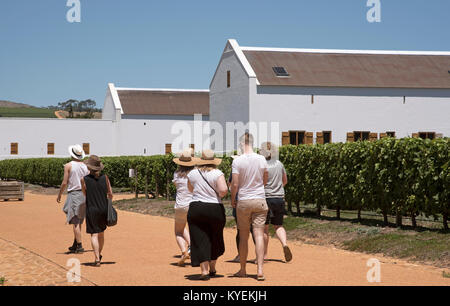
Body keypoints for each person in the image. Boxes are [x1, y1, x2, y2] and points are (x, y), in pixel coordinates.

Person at [231, 133, 269, 281]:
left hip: (244, 201)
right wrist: (258, 188)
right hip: (259, 199)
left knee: (243, 236)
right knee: (258, 234)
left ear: (242, 143)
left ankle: (242, 269)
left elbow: (235, 184)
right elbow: (265, 179)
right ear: (253, 143)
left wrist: (233, 199)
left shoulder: (237, 161)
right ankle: (259, 270)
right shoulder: (261, 159)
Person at [187, 149, 228, 280]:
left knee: (199, 239)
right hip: (214, 207)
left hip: (196, 207)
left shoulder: (192, 173)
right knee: (215, 237)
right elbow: (223, 191)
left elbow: (190, 189)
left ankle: (204, 271)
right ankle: (213, 267)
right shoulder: (217, 173)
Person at [260, 142, 292, 263]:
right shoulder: (279, 164)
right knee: (278, 225)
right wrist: (278, 188)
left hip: (266, 198)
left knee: (264, 229)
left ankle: (264, 255)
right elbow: (285, 181)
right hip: (279, 198)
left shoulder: (262, 165)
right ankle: (284, 244)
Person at [80, 155, 113, 267]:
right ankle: (99, 254)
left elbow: (84, 193)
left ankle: (97, 258)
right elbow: (110, 194)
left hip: (92, 208)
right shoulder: (105, 178)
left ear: (89, 168)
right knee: (101, 234)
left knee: (94, 234)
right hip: (103, 208)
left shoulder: (84, 179)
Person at [57, 144, 89, 254]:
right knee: (79, 220)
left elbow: (64, 182)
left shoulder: (68, 166)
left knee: (75, 221)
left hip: (74, 193)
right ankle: (76, 243)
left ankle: (79, 246)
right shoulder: (85, 166)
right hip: (84, 194)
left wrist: (60, 194)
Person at [172, 148, 195, 266]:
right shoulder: (195, 173)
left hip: (180, 205)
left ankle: (183, 251)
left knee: (178, 231)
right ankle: (191, 246)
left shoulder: (176, 174)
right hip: (193, 205)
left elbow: (176, 185)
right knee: (189, 228)